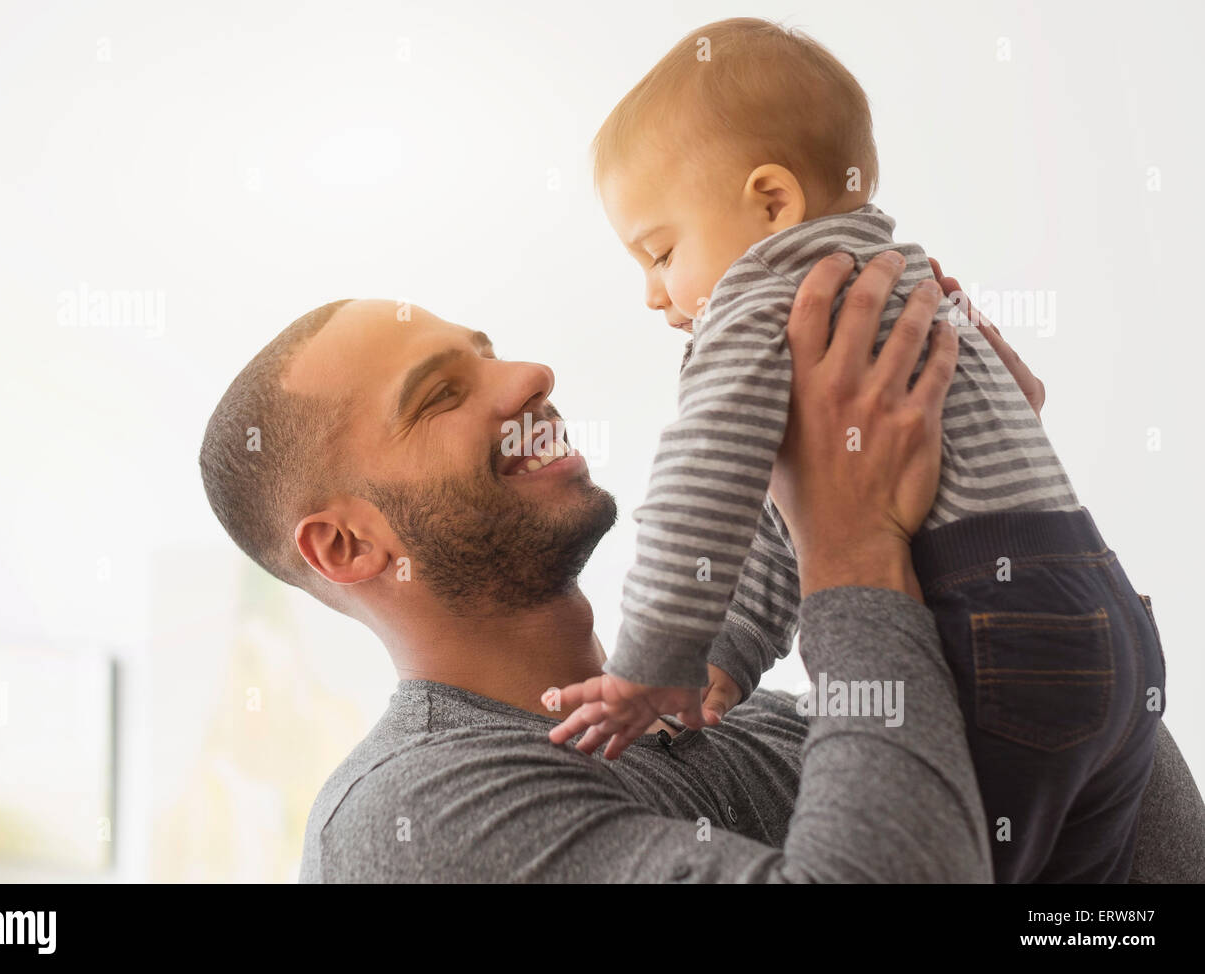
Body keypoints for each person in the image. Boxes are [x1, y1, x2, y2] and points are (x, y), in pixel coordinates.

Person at [197, 254, 1205, 882]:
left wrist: (993, 522)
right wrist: (855, 541)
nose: (528, 376)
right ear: (349, 546)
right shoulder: (415, 817)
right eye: (441, 393)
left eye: (491, 350)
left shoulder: (767, 723)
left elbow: (1125, 828)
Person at [560, 16, 1162, 883]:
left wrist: (651, 663)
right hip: (1101, 610)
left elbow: (703, 486)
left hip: (984, 632)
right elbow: (791, 524)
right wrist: (728, 657)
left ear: (771, 204)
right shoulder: (905, 277)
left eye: (659, 252)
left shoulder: (761, 290)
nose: (654, 295)